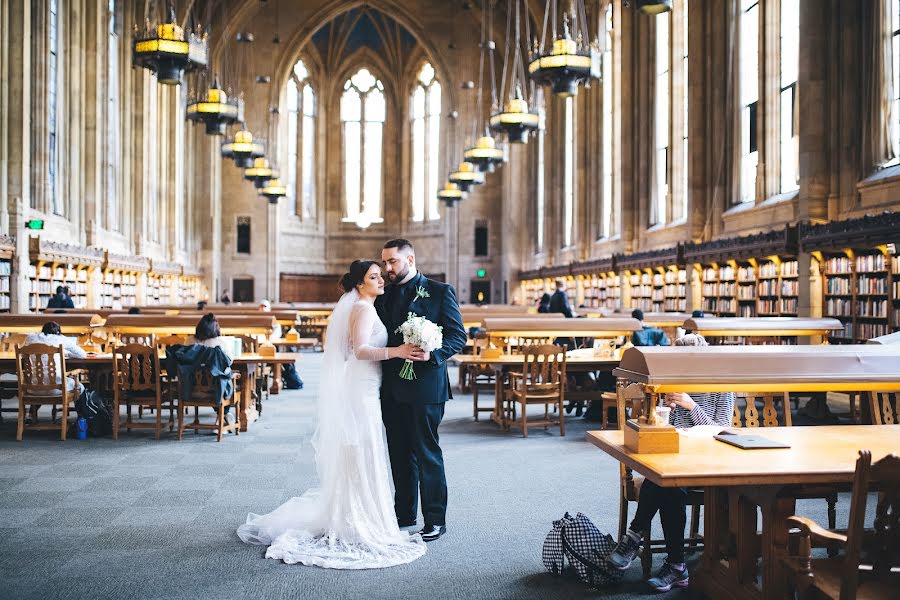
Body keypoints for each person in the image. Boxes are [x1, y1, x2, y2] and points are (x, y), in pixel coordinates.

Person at [237, 259, 428, 568]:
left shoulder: (367, 307)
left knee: (364, 449)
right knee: (362, 447)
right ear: (359, 284)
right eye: (374, 277)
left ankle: (358, 513)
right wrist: (399, 351)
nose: (381, 280)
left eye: (381, 275)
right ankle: (354, 518)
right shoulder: (363, 309)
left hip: (367, 385)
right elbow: (360, 350)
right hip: (360, 387)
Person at [607, 333, 735, 592]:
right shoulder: (672, 382)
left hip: (711, 459)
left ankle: (635, 538)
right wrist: (665, 414)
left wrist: (690, 406)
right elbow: (665, 431)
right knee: (667, 482)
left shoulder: (722, 384)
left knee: (667, 483)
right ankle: (676, 566)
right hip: (678, 455)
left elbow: (723, 430)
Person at [376, 239, 467, 543]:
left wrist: (434, 354)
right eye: (385, 263)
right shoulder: (382, 295)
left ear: (410, 259)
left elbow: (457, 336)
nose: (388, 268)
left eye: (393, 262)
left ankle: (436, 519)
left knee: (426, 453)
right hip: (391, 387)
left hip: (426, 387)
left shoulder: (440, 292)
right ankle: (404, 514)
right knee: (399, 453)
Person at [23, 321, 87, 395]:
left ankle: (34, 405)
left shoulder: (30, 338)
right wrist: (67, 354)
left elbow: (23, 355)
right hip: (57, 388)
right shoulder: (60, 338)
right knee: (80, 387)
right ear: (58, 331)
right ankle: (79, 407)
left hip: (33, 388)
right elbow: (82, 354)